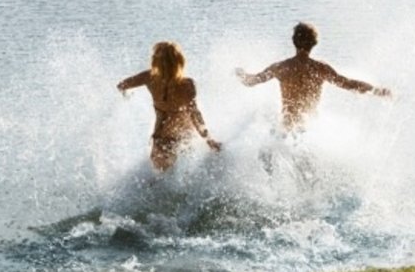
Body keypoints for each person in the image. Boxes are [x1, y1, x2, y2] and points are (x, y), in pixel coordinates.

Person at [235, 21, 391, 132]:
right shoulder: (320, 69)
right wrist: (377, 91)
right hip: (310, 130)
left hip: (287, 129)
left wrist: (241, 74)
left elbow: (252, 81)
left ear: (293, 41)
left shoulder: (281, 68)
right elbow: (349, 84)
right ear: (314, 43)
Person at [118, 41, 221, 171]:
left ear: (154, 61)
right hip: (177, 138)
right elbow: (195, 114)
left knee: (161, 177)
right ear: (179, 61)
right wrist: (209, 140)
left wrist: (127, 96)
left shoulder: (150, 78)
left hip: (168, 138)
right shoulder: (185, 84)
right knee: (174, 179)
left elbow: (121, 86)